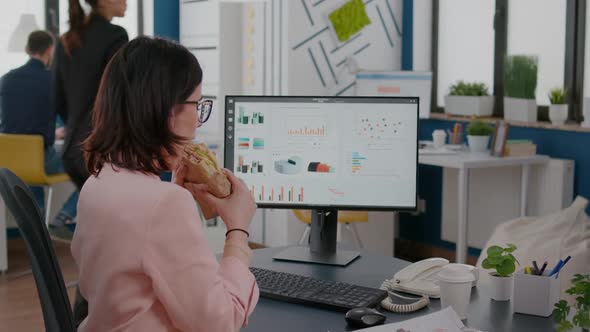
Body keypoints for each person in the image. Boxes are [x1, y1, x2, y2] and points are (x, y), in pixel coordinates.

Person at [72, 36, 259, 331]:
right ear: (166, 111)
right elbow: (220, 321)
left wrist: (174, 188)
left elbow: (127, 274)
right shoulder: (165, 204)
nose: (198, 121)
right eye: (197, 105)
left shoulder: (98, 182)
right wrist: (238, 230)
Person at [0, 30, 78, 242]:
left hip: (8, 162)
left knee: (32, 173)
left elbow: (11, 123)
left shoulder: (5, 79)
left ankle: (38, 237)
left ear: (27, 50)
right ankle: (62, 218)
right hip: (40, 160)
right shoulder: (52, 80)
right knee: (89, 167)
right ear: (50, 50)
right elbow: (73, 122)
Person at [52, 0, 128, 193]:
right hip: (100, 149)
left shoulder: (67, 39)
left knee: (94, 216)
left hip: (72, 150)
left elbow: (57, 98)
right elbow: (119, 94)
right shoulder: (115, 35)